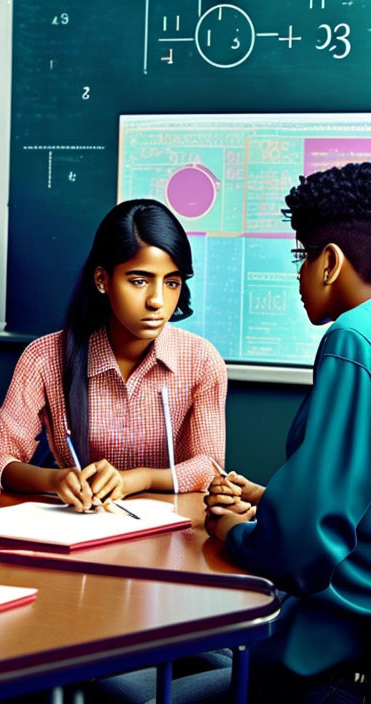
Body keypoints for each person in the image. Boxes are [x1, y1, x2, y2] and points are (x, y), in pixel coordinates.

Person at [205, 162, 371, 701]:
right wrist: (270, 498)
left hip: (332, 660)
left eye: (301, 258)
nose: (298, 277)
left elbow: (298, 552)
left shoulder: (353, 341)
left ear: (330, 262)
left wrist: (233, 532)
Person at [0, 199, 227, 510]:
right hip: (82, 528)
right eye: (139, 281)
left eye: (171, 283)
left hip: (174, 538)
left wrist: (138, 479)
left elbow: (211, 467)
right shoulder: (44, 358)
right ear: (102, 279)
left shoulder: (202, 360)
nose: (157, 300)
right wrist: (55, 480)